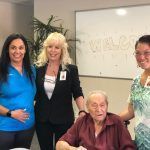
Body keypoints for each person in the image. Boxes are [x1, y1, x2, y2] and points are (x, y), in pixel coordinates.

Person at [34, 32, 86, 150]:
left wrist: (82, 111)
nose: (53, 50)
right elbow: (34, 93)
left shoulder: (70, 69)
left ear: (62, 50)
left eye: (57, 47)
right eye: (50, 47)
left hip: (64, 119)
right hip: (42, 119)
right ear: (45, 48)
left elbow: (77, 92)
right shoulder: (38, 68)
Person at [56, 90, 136, 150]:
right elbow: (59, 145)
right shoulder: (82, 122)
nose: (99, 109)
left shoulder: (117, 122)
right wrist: (73, 149)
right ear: (87, 107)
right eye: (94, 106)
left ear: (107, 106)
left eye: (102, 105)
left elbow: (129, 147)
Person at [0, 33, 36, 150]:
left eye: (21, 48)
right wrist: (11, 113)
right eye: (13, 47)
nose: (17, 51)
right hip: (5, 127)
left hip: (27, 126)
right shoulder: (1, 71)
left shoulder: (31, 70)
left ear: (25, 50)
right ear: (7, 50)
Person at [119, 35, 150, 149]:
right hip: (141, 142)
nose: (141, 57)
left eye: (147, 52)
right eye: (137, 53)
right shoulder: (136, 81)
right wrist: (110, 119)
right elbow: (131, 110)